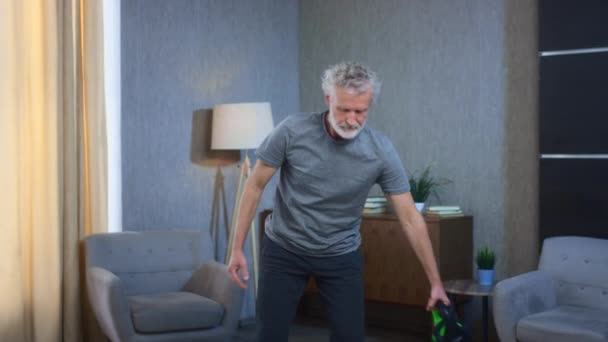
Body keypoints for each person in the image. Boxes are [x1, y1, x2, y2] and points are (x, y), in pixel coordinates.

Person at [227, 61, 450, 342]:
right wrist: (237, 248)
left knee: (350, 337)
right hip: (285, 248)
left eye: (361, 111)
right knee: (269, 335)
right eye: (344, 109)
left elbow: (409, 217)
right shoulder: (293, 131)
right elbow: (255, 185)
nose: (352, 119)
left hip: (340, 253)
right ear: (328, 99)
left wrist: (435, 281)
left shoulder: (380, 150)